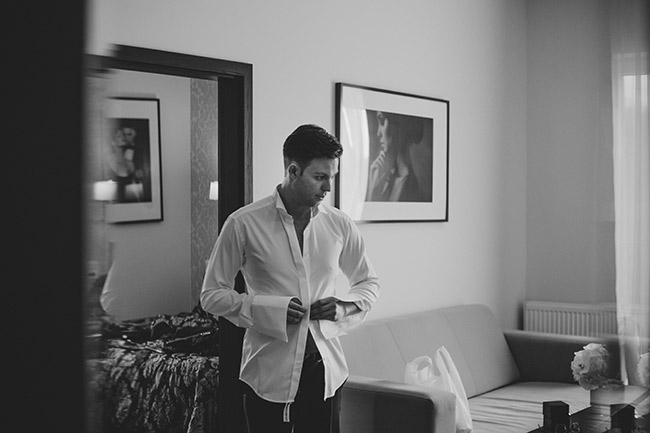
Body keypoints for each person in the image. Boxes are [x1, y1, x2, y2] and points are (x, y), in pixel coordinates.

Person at [200, 124, 380, 433]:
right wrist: (269, 309)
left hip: (326, 373)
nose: (328, 188)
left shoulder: (339, 225)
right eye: (320, 177)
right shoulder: (243, 224)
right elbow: (211, 295)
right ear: (293, 170)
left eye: (332, 177)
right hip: (268, 373)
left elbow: (369, 282)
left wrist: (344, 307)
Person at [366, 111, 425, 202]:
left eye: (382, 121)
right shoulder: (385, 176)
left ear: (398, 126)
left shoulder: (407, 186)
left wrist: (373, 192)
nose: (378, 133)